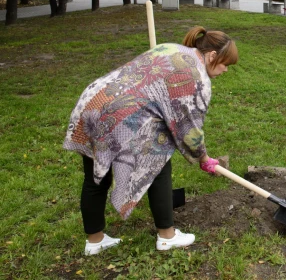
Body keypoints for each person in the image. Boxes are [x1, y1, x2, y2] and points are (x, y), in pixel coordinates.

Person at [63, 27, 238, 255]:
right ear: (213, 55)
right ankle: (167, 236)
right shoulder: (197, 79)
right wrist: (204, 158)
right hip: (121, 116)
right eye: (226, 64)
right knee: (158, 161)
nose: (225, 70)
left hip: (94, 103)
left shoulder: (172, 48)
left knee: (95, 178)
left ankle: (94, 241)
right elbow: (189, 130)